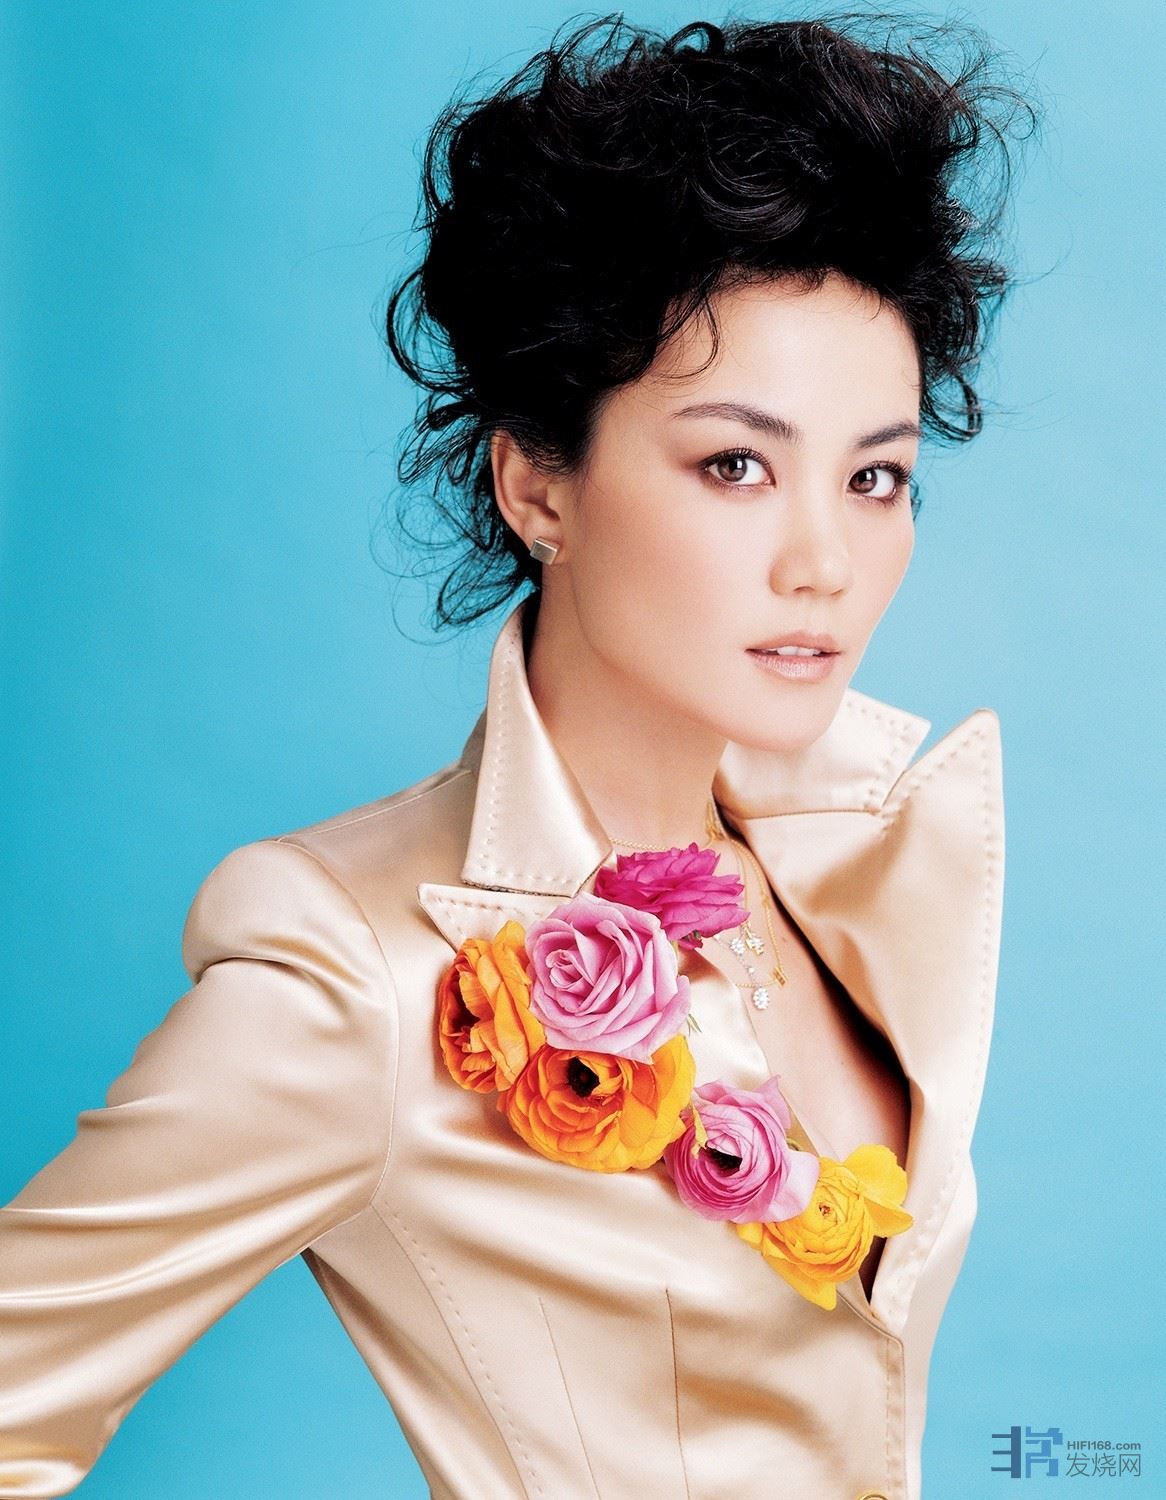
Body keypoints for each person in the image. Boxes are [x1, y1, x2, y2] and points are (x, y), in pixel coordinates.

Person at [0, 11, 1035, 1498]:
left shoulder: (833, 861)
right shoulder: (359, 968)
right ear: (537, 485)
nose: (825, 561)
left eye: (876, 477)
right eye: (735, 464)